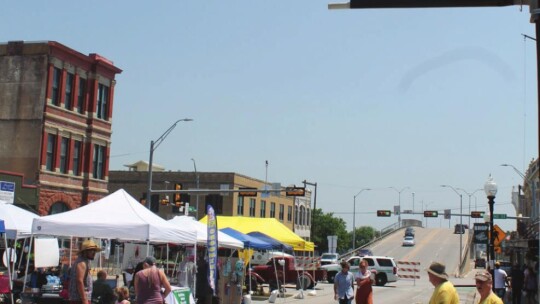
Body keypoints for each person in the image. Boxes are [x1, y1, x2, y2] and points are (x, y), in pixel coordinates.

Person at [69, 239, 102, 304]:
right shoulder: (82, 263)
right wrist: (84, 300)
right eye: (91, 250)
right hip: (80, 300)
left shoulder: (83, 262)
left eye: (94, 250)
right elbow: (79, 281)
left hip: (80, 299)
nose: (94, 252)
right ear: (84, 251)